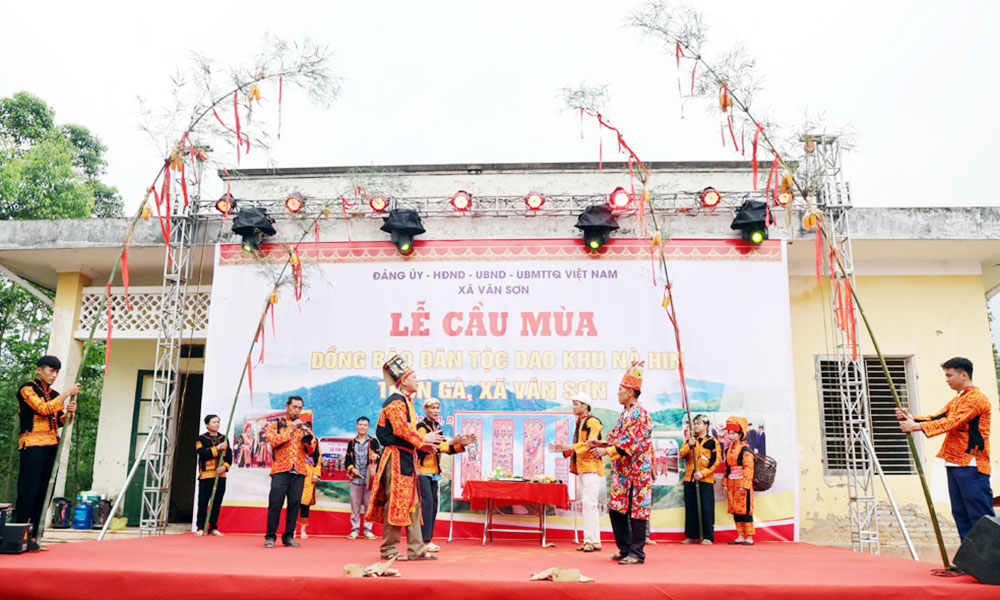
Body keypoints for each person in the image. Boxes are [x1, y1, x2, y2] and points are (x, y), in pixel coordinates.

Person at [896, 357, 993, 575]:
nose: (947, 380)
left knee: (980, 517)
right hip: (955, 463)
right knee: (961, 514)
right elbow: (938, 417)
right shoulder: (959, 398)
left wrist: (916, 427)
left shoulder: (976, 398)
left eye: (949, 375)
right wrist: (913, 418)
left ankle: (990, 563)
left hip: (971, 463)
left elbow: (953, 422)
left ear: (964, 375)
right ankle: (970, 563)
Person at [366, 355, 446, 561]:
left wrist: (424, 444)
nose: (417, 381)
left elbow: (406, 432)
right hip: (395, 458)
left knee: (413, 504)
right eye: (414, 377)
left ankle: (416, 549)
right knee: (396, 502)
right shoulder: (395, 401)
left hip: (406, 457)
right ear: (403, 381)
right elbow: (400, 429)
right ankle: (389, 549)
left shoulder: (405, 401)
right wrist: (422, 439)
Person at [589, 361, 652, 565]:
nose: (618, 394)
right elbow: (617, 438)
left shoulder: (638, 413)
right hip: (622, 472)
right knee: (617, 509)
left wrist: (606, 451)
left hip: (637, 471)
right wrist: (601, 443)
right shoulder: (625, 413)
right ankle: (625, 549)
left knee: (637, 511)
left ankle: (636, 553)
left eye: (620, 390)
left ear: (631, 392)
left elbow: (630, 442)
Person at [15, 355, 79, 552]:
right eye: (51, 371)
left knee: (44, 492)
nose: (54, 375)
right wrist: (66, 395)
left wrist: (70, 413)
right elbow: (43, 409)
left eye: (56, 372)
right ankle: (19, 535)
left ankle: (34, 535)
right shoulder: (27, 389)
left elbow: (59, 421)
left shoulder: (54, 394)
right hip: (33, 444)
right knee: (29, 490)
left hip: (51, 445)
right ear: (39, 370)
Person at [549, 392, 604, 552]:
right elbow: (578, 445)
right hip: (583, 467)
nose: (573, 407)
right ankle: (594, 541)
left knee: (589, 504)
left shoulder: (592, 422)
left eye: (576, 404)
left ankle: (589, 541)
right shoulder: (581, 422)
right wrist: (564, 449)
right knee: (589, 504)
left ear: (585, 406)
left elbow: (592, 442)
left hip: (591, 466)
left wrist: (569, 447)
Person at [416, 398, 473, 552]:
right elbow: (428, 446)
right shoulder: (421, 427)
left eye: (437, 408)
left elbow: (445, 449)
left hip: (434, 472)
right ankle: (423, 541)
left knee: (433, 506)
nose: (435, 411)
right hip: (422, 471)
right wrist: (451, 442)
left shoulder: (437, 427)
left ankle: (427, 539)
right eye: (432, 408)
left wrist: (460, 445)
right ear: (426, 410)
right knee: (427, 506)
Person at [263, 396, 317, 548]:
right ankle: (270, 536)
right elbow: (273, 441)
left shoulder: (304, 426)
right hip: (280, 469)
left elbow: (311, 449)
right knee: (275, 503)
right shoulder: (277, 423)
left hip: (299, 470)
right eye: (294, 407)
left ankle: (288, 536)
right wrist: (291, 429)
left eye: (299, 408)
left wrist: (308, 439)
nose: (297, 410)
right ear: (287, 406)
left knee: (294, 504)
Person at [679, 414, 721, 544]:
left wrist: (703, 473)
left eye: (698, 423)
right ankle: (692, 535)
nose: (696, 426)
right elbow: (681, 454)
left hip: (705, 479)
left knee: (706, 507)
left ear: (706, 425)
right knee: (691, 507)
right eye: (694, 423)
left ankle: (707, 536)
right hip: (689, 478)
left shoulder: (712, 441)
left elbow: (715, 461)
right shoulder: (690, 439)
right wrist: (689, 445)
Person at [195, 414, 233, 536]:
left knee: (216, 502)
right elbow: (202, 454)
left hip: (220, 475)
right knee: (203, 502)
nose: (217, 424)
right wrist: (217, 448)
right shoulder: (201, 439)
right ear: (207, 424)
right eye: (214, 422)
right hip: (206, 475)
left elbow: (229, 455)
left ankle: (213, 527)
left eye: (218, 422)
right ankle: (201, 527)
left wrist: (225, 467)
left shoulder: (224, 438)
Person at [344, 416, 381, 540]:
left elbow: (380, 457)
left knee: (368, 506)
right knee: (355, 506)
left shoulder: (373, 442)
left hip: (370, 480)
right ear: (356, 426)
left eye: (365, 425)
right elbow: (347, 460)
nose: (362, 427)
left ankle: (367, 530)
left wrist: (376, 456)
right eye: (360, 424)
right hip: (355, 479)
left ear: (368, 427)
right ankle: (354, 530)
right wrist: (352, 469)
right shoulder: (351, 443)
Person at [723, 416, 755, 545]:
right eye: (729, 433)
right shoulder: (728, 450)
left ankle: (749, 537)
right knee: (735, 510)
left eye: (733, 433)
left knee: (745, 510)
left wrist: (745, 485)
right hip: (732, 484)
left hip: (742, 483)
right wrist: (725, 484)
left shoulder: (745, 449)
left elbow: (749, 468)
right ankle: (740, 535)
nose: (730, 436)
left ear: (740, 434)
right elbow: (727, 469)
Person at [297, 440, 322, 539]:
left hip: (309, 474)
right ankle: (291, 530)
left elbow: (318, 458)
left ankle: (303, 530)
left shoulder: (314, 441)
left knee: (305, 503)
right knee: (293, 503)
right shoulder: (294, 438)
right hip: (295, 473)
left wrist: (316, 473)